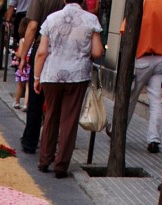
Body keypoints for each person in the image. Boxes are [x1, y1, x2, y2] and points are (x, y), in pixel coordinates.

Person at [34, 0, 103, 177]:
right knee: (69, 120)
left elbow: (42, 52)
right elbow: (97, 52)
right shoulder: (91, 19)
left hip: (52, 74)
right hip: (77, 75)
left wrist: (36, 77)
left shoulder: (51, 18)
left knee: (51, 116)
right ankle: (61, 164)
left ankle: (44, 159)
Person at [123, 0, 162, 154]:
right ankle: (154, 139)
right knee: (157, 102)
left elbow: (126, 30)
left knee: (131, 97)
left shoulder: (143, 3)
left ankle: (119, 131)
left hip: (143, 57)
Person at [17, 0, 64, 152]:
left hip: (42, 48)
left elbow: (32, 26)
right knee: (58, 100)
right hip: (65, 51)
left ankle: (30, 140)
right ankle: (52, 142)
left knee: (36, 98)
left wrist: (23, 56)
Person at [12, 15, 31, 107]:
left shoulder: (22, 40)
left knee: (20, 85)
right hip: (30, 64)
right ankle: (26, 104)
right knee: (28, 86)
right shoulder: (33, 40)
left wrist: (14, 52)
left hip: (23, 65)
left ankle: (16, 102)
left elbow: (20, 53)